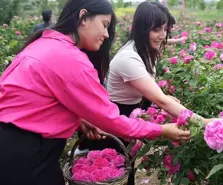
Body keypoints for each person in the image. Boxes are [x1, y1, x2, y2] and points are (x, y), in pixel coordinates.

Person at [0, 1, 191, 185]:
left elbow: (32, 102)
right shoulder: (70, 58)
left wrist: (79, 120)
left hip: (1, 147)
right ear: (84, 17)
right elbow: (113, 121)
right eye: (104, 24)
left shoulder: (42, 44)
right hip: (28, 159)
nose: (107, 34)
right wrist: (162, 130)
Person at [75, 2, 215, 185]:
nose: (163, 35)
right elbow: (161, 99)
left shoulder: (145, 50)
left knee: (127, 166)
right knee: (110, 171)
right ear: (142, 29)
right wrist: (204, 123)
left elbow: (152, 92)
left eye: (165, 29)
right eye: (157, 29)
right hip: (112, 119)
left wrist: (157, 100)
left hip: (129, 111)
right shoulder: (129, 58)